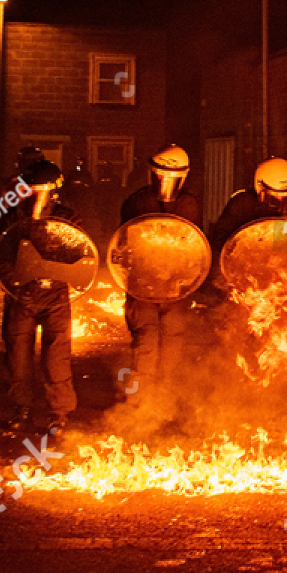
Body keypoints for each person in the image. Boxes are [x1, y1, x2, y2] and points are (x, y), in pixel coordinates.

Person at [0, 157, 82, 434]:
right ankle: (21, 407)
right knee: (17, 356)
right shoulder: (10, 218)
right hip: (20, 295)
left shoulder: (67, 219)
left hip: (55, 295)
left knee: (56, 356)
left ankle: (58, 411)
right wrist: (12, 283)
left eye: (40, 190)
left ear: (54, 190)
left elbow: (80, 255)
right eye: (30, 189)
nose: (35, 196)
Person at [119, 145, 202, 406]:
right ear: (152, 173)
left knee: (173, 345)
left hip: (175, 287)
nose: (166, 181)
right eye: (161, 174)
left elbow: (193, 245)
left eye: (172, 175)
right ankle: (141, 404)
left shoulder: (188, 204)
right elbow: (125, 244)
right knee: (146, 341)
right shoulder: (136, 202)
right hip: (143, 285)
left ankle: (165, 401)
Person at [209, 157, 287, 258]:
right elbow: (220, 237)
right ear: (260, 187)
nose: (280, 200)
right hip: (241, 262)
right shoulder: (241, 204)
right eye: (275, 196)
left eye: (285, 196)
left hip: (279, 268)